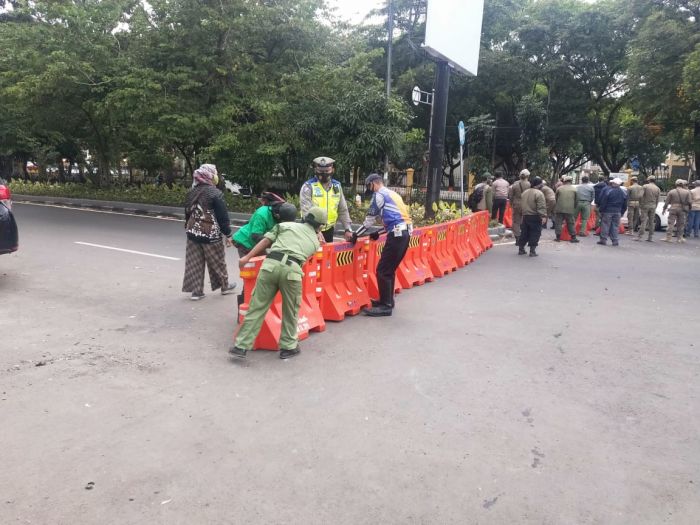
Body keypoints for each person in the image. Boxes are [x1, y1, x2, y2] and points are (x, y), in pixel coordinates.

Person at [229, 206, 327, 360]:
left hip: (270, 265)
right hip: (292, 272)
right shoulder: (316, 243)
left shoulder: (284, 225)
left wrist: (246, 258)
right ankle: (288, 347)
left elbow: (265, 241)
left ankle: (240, 346)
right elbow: (304, 258)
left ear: (305, 217)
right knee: (290, 310)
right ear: (320, 226)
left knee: (257, 306)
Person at [355, 173, 412, 317]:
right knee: (388, 269)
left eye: (369, 186)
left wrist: (356, 234)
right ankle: (387, 301)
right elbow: (396, 218)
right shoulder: (393, 194)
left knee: (383, 270)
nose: (370, 189)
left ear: (374, 183)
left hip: (397, 235)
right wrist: (379, 233)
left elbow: (369, 219)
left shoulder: (379, 195)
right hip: (403, 233)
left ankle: (385, 306)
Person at [182, 164, 237, 300]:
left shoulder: (191, 192)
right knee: (218, 261)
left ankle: (196, 292)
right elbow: (222, 217)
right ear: (210, 176)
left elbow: (187, 213)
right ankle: (224, 286)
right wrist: (228, 234)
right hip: (210, 235)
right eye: (215, 173)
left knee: (195, 262)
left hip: (193, 233)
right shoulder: (215, 193)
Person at [299, 156, 353, 243]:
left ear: (333, 170)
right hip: (310, 229)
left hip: (329, 230)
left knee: (328, 255)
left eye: (327, 171)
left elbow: (343, 210)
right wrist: (316, 230)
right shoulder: (308, 186)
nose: (324, 174)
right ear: (315, 171)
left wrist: (348, 229)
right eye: (320, 171)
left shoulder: (337, 186)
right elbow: (306, 211)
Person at [232, 192, 288, 257]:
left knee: (266, 263)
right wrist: (274, 244)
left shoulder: (281, 214)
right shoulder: (262, 214)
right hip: (245, 242)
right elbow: (256, 236)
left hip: (256, 242)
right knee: (252, 265)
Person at [517, 176, 547, 257]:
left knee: (524, 233)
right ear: (539, 184)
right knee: (535, 233)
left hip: (525, 216)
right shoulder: (539, 193)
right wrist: (543, 216)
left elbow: (520, 205)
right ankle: (532, 251)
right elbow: (541, 206)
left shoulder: (524, 192)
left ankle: (521, 249)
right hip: (535, 216)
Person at [596, 178, 627, 246]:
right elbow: (625, 204)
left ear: (614, 183)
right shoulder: (623, 192)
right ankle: (615, 240)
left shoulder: (608, 191)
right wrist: (622, 212)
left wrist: (601, 210)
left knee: (605, 225)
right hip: (618, 211)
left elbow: (604, 202)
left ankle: (603, 240)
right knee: (615, 226)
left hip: (608, 211)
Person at [554, 175, 580, 243]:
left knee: (558, 223)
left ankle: (558, 237)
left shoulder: (559, 188)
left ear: (564, 181)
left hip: (559, 208)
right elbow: (577, 200)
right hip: (570, 209)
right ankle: (573, 237)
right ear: (571, 181)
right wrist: (574, 207)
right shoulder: (574, 189)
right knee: (571, 223)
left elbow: (555, 199)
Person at [635, 175, 661, 242]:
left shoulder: (645, 186)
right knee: (652, 222)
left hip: (645, 205)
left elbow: (640, 196)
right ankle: (650, 237)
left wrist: (641, 204)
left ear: (648, 180)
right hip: (653, 206)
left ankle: (639, 236)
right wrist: (655, 206)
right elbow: (658, 199)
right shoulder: (657, 188)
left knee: (644, 221)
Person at [508, 169, 531, 241]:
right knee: (526, 221)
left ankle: (517, 238)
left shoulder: (514, 185)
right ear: (527, 176)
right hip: (527, 205)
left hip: (517, 204)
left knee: (516, 221)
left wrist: (511, 204)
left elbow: (511, 196)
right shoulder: (529, 184)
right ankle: (526, 237)